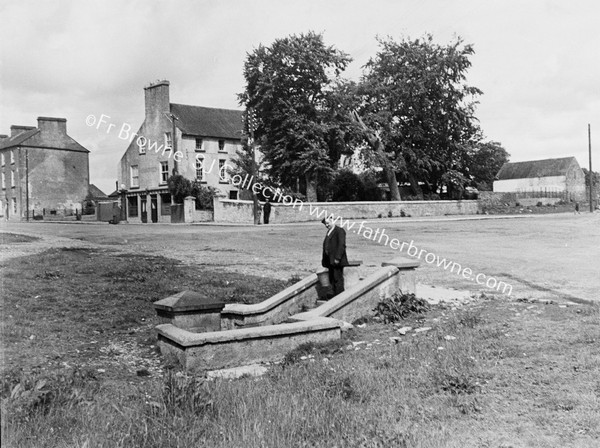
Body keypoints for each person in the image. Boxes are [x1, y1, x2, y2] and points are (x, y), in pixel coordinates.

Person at [321, 217, 349, 298]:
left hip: (337, 261)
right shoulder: (329, 231)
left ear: (332, 221)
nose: (326, 225)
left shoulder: (339, 231)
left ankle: (339, 298)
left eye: (328, 223)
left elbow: (341, 245)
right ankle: (334, 296)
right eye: (325, 224)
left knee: (338, 279)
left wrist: (337, 258)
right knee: (332, 279)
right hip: (330, 261)